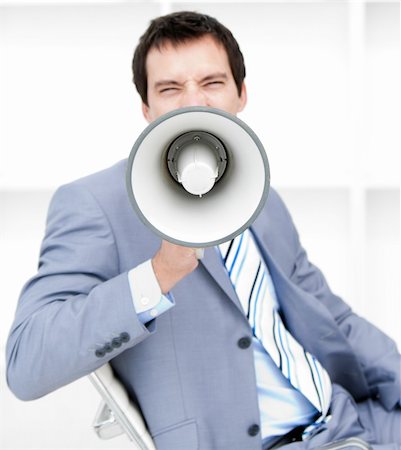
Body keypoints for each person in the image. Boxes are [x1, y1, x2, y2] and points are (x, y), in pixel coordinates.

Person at [6, 11, 401, 450]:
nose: (194, 102)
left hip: (348, 419)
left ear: (240, 95)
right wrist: (155, 277)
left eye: (212, 83)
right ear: (146, 108)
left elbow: (333, 317)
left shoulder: (260, 196)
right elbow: (26, 363)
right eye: (170, 89)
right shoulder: (96, 204)